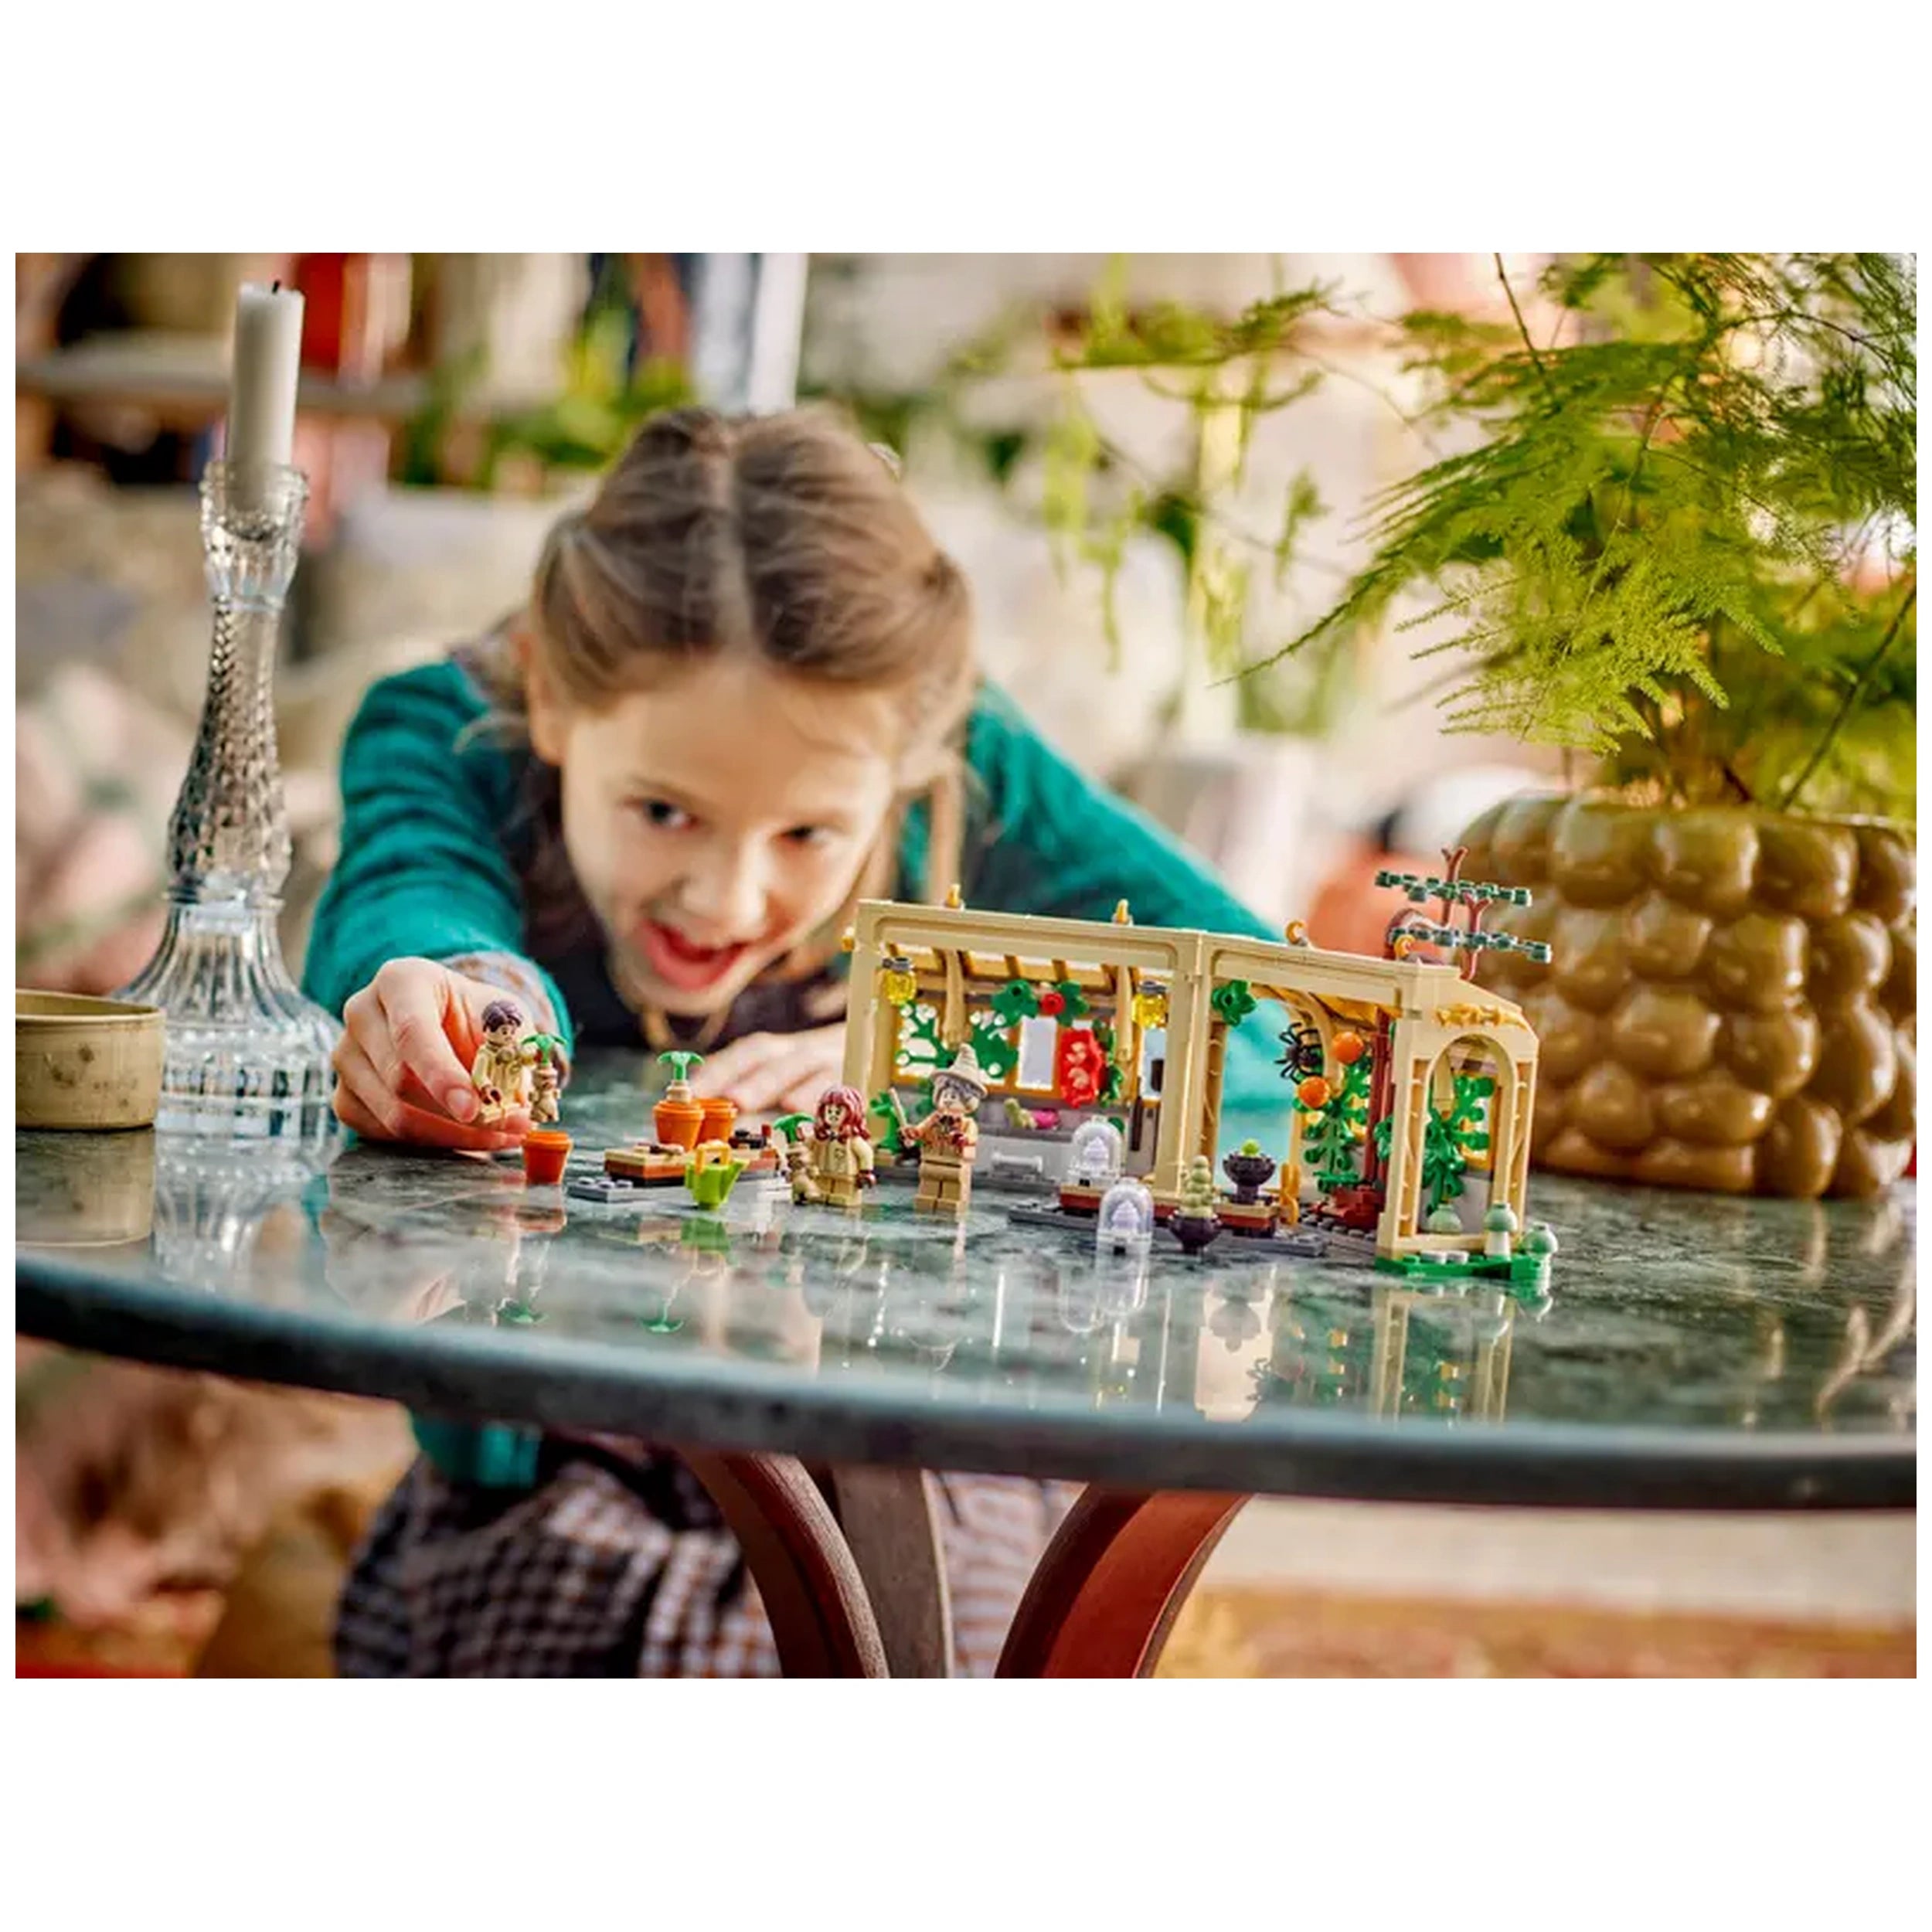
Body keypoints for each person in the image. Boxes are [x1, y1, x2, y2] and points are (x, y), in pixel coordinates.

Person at [302, 404, 1282, 1677]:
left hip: (918, 1449)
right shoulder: (444, 734)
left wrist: (938, 1057)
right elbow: (411, 895)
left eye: (809, 836)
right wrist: (469, 1010)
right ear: (549, 693)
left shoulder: (970, 775)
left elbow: (1269, 1022)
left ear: (908, 763)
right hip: (560, 1457)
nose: (725, 898)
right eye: (663, 810)